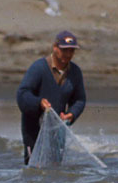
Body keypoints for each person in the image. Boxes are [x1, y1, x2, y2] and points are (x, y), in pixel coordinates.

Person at [16, 30, 86, 165]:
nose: (68, 54)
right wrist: (39, 103)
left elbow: (79, 99)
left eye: (71, 51)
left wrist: (71, 114)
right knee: (34, 168)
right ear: (55, 47)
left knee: (55, 168)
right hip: (33, 129)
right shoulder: (39, 68)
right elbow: (22, 94)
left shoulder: (75, 72)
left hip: (57, 129)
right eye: (64, 50)